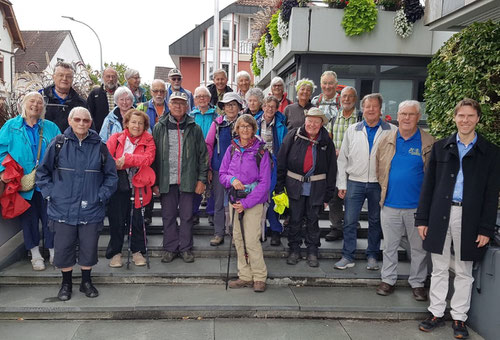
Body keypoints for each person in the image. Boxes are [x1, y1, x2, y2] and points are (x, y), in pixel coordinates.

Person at [416, 99, 499, 339]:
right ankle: (435, 312)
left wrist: (486, 228)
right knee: (439, 266)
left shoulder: (490, 152)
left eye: (470, 116)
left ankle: (459, 318)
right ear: (455, 118)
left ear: (478, 119)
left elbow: (491, 194)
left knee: (464, 269)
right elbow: (428, 186)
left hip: (470, 216)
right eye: (461, 116)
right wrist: (423, 219)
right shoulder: (441, 147)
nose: (465, 120)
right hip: (440, 212)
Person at [36, 107, 118, 301]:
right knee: (63, 247)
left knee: (89, 247)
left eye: (86, 120)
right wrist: (51, 194)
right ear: (70, 121)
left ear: (90, 123)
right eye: (78, 120)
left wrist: (101, 196)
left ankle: (86, 282)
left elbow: (111, 177)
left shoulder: (100, 146)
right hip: (62, 207)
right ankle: (66, 284)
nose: (82, 124)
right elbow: (42, 173)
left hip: (91, 206)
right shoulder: (58, 144)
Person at [375, 100, 435, 301]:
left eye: (411, 114)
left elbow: (434, 174)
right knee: (389, 246)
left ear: (418, 117)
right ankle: (388, 280)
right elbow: (379, 166)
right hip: (390, 204)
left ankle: (418, 283)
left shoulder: (428, 142)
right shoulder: (386, 139)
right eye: (403, 114)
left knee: (418, 248)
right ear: (397, 116)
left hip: (418, 207)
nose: (407, 118)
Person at [335, 93, 397, 270]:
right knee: (349, 220)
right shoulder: (352, 129)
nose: (371, 110)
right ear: (362, 108)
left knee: (376, 220)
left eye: (374, 106)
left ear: (380, 109)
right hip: (355, 181)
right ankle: (348, 255)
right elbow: (342, 159)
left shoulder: (391, 131)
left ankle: (372, 255)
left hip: (378, 184)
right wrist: (342, 184)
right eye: (367, 106)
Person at [0, 92, 61, 270]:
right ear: (24, 104)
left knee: (51, 217)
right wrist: (4, 171)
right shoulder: (11, 127)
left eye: (39, 102)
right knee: (29, 219)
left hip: (48, 181)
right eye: (32, 101)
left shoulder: (50, 127)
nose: (36, 105)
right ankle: (35, 255)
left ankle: (53, 251)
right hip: (23, 182)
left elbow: (62, 150)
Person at [276, 108, 337, 267]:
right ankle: (294, 249)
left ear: (321, 123)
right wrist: (279, 186)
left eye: (316, 122)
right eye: (310, 121)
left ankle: (312, 250)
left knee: (313, 219)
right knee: (294, 219)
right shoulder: (293, 136)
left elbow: (332, 169)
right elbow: (281, 161)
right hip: (294, 186)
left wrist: (328, 195)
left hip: (317, 187)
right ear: (305, 120)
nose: (312, 125)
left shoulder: (326, 141)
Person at [152, 92, 208, 264]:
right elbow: (153, 156)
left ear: (187, 106)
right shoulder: (159, 127)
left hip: (188, 180)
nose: (178, 106)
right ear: (169, 105)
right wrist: (154, 182)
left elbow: (203, 155)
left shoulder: (194, 128)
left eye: (182, 103)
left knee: (187, 216)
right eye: (174, 103)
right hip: (166, 181)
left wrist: (201, 179)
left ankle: (185, 248)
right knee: (168, 216)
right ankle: (170, 248)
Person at [219, 114, 271, 292]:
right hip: (235, 200)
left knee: (251, 239)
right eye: (242, 127)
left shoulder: (261, 151)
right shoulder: (232, 149)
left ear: (253, 129)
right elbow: (222, 173)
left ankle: (259, 276)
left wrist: (247, 203)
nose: (245, 130)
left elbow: (264, 183)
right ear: (237, 129)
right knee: (238, 239)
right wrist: (231, 180)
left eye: (248, 126)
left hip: (253, 202)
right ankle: (245, 275)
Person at [105, 109, 156, 268]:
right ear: (126, 123)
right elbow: (107, 158)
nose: (137, 125)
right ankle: (116, 253)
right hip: (119, 184)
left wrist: (126, 159)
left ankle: (137, 251)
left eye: (140, 123)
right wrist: (127, 162)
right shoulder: (116, 138)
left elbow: (148, 159)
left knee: (138, 220)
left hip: (139, 184)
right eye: (133, 122)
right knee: (117, 219)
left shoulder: (149, 140)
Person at [205, 92, 242, 246]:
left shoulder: (245, 122)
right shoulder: (217, 123)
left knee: (238, 203)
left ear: (239, 107)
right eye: (227, 105)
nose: (230, 108)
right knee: (219, 202)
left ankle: (237, 235)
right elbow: (208, 145)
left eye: (233, 104)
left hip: (240, 171)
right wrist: (208, 168)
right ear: (223, 108)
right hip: (219, 169)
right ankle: (219, 233)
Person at [325, 86, 359, 242]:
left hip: (355, 165)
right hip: (337, 166)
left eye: (350, 96)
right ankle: (336, 226)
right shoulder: (334, 118)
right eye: (344, 96)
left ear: (355, 99)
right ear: (340, 99)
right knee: (334, 197)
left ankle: (352, 225)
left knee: (352, 197)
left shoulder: (360, 118)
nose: (346, 99)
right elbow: (329, 139)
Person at [255, 95, 287, 246]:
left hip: (274, 165)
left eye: (273, 107)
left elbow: (284, 147)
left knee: (272, 197)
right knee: (256, 197)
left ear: (277, 109)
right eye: (267, 106)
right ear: (263, 107)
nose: (269, 109)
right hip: (255, 165)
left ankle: (275, 230)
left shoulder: (281, 125)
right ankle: (258, 230)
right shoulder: (253, 121)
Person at [190, 85, 218, 227]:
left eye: (204, 96)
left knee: (211, 184)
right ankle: (194, 212)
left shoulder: (216, 115)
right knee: (196, 183)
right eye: (198, 96)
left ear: (209, 99)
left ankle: (211, 212)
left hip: (212, 152)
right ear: (194, 99)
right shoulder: (190, 116)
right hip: (195, 155)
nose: (202, 99)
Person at [41, 61, 87, 132]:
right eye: (61, 75)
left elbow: (88, 128)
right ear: (53, 77)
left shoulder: (81, 103)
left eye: (68, 76)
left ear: (72, 79)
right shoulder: (41, 99)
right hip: (46, 141)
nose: (64, 79)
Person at [87, 67, 119, 132]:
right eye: (108, 76)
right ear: (103, 78)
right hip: (99, 133)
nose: (111, 79)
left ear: (117, 78)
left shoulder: (124, 93)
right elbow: (89, 114)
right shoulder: (94, 94)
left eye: (113, 77)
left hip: (120, 134)